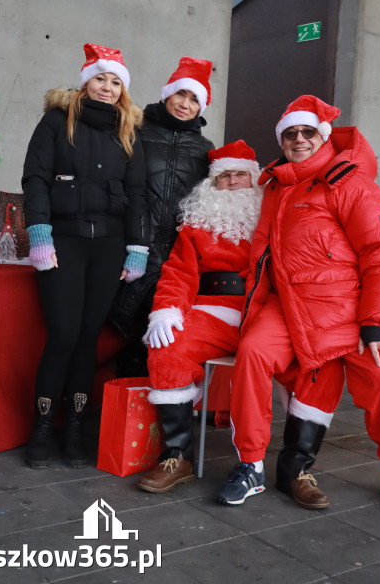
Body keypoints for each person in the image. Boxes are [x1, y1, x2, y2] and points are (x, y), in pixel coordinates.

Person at [218, 95, 380, 516]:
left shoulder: (350, 182)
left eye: (307, 131)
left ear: (323, 135)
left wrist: (376, 321)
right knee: (253, 354)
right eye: (290, 133)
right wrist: (255, 309)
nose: (298, 139)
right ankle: (250, 465)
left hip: (350, 309)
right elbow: (263, 253)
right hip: (290, 305)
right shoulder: (276, 186)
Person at [21, 43, 148, 469]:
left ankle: (74, 427)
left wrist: (138, 247)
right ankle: (41, 429)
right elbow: (36, 178)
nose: (107, 87)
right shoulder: (57, 121)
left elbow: (136, 196)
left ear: (123, 91)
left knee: (89, 339)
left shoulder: (128, 131)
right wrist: (39, 233)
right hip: (64, 241)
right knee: (63, 335)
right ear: (85, 81)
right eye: (100, 78)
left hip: (109, 247)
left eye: (116, 82)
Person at [137, 140, 273, 493]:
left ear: (254, 179)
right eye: (224, 176)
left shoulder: (272, 217)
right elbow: (178, 273)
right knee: (168, 347)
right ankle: (177, 456)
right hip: (208, 312)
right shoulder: (197, 224)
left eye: (240, 174)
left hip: (260, 313)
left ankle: (294, 461)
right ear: (212, 184)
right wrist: (166, 310)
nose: (231, 182)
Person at [108, 57, 215, 374]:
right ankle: (115, 412)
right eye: (181, 94)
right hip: (129, 248)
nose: (185, 104)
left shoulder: (204, 149)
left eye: (194, 99)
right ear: (168, 94)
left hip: (173, 260)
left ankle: (147, 417)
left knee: (157, 338)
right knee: (119, 336)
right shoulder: (134, 129)